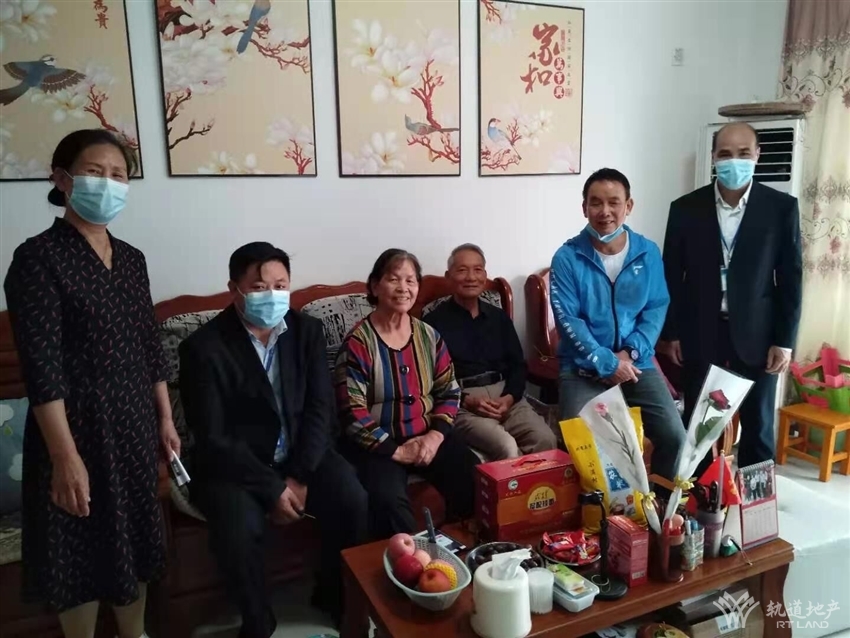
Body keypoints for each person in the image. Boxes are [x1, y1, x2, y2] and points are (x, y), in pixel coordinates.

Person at [3, 129, 178, 638]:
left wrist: (165, 418)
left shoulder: (132, 259)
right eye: (95, 172)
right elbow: (42, 368)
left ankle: (134, 633)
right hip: (74, 432)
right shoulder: (37, 258)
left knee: (135, 541)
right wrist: (64, 457)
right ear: (62, 179)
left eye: (118, 175)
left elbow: (149, 346)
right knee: (77, 545)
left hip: (133, 428)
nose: (108, 183)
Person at [179, 243, 368, 637]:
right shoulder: (203, 348)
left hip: (301, 454)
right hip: (237, 466)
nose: (272, 295)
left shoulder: (307, 331)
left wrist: (298, 476)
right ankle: (257, 619)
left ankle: (333, 595)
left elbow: (319, 410)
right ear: (234, 290)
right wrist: (272, 488)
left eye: (280, 285)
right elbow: (213, 437)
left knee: (351, 497)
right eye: (259, 287)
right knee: (238, 527)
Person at [661, 122, 802, 471]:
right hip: (701, 332)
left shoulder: (781, 208)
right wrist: (671, 333)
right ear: (713, 157)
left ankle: (756, 502)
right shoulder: (685, 208)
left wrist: (784, 341)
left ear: (757, 155)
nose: (733, 161)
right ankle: (697, 496)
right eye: (725, 154)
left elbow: (790, 278)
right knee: (699, 425)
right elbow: (671, 276)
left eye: (743, 153)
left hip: (759, 336)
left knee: (758, 427)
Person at [550, 168, 685, 484]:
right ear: (584, 208)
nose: (605, 211)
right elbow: (568, 320)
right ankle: (593, 510)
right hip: (582, 368)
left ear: (629, 205)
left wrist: (630, 353)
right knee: (579, 443)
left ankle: (660, 505)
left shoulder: (647, 252)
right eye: (596, 203)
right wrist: (606, 362)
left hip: (637, 363)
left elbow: (655, 308)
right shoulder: (567, 257)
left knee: (674, 436)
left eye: (614, 202)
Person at [335, 249, 479, 538]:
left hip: (427, 434)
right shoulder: (358, 343)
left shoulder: (429, 336)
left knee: (473, 475)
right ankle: (405, 561)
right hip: (378, 445)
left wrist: (434, 436)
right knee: (389, 503)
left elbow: (449, 391)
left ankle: (460, 549)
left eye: (410, 280)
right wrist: (397, 451)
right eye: (394, 279)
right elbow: (351, 411)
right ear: (375, 286)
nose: (403, 288)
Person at [424, 244, 557, 459]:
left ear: (485, 276)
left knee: (545, 439)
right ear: (449, 276)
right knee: (506, 447)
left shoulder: (498, 317)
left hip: (506, 396)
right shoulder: (432, 324)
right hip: (462, 403)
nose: (471, 277)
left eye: (477, 270)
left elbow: (517, 365)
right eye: (462, 270)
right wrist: (466, 400)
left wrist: (510, 397)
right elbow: (429, 379)